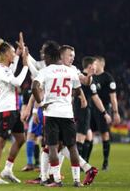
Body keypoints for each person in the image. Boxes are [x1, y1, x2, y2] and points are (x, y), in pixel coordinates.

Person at [32, 41, 83, 187]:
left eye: (44, 56)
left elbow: (34, 86)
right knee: (72, 146)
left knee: (52, 147)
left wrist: (41, 104)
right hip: (67, 113)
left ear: (48, 56)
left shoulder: (46, 71)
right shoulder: (71, 70)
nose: (43, 59)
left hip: (52, 113)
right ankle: (77, 180)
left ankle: (56, 180)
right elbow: (78, 89)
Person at [0, 33, 29, 184]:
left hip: (13, 109)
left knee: (20, 139)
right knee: (1, 142)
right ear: (5, 54)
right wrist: (25, 66)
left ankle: (7, 169)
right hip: (6, 110)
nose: (14, 54)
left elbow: (11, 70)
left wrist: (18, 55)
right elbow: (17, 81)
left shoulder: (5, 68)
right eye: (12, 52)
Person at [89, 56, 121, 170]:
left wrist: (115, 112)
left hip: (104, 109)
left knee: (104, 134)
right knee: (89, 135)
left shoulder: (108, 78)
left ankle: (105, 162)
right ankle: (86, 162)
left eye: (95, 63)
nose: (93, 65)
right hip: (91, 109)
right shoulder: (91, 77)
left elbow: (113, 97)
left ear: (101, 64)